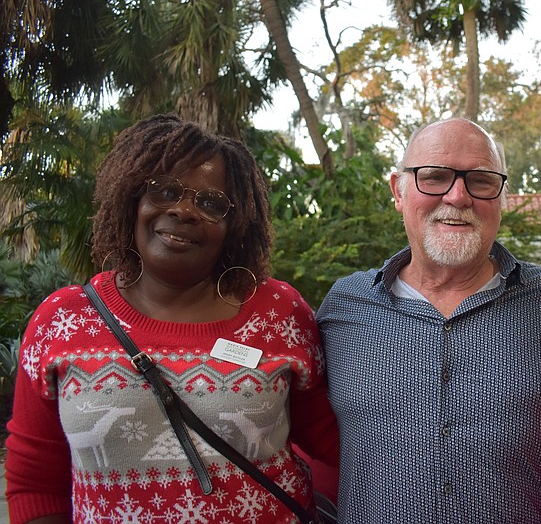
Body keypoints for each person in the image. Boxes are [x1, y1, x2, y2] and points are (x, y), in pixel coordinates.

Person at [5, 114, 339, 524]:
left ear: (235, 226)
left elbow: (335, 441)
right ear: (132, 199)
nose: (184, 210)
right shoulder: (63, 320)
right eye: (165, 191)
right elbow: (35, 481)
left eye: (212, 203)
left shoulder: (279, 313)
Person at [317, 118, 541, 523]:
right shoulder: (343, 307)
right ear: (398, 192)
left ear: (502, 196)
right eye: (435, 177)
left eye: (480, 180)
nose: (458, 196)